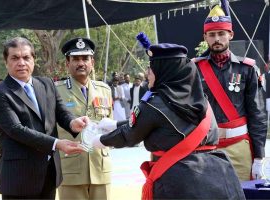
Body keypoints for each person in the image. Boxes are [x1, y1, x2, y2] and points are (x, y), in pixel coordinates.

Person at [92, 40, 245, 199]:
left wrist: (100, 140)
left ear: (164, 70)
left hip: (180, 182)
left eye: (151, 68)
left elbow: (131, 135)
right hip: (219, 178)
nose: (147, 73)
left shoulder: (155, 104)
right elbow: (154, 122)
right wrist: (115, 124)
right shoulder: (201, 101)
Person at [0, 37, 88, 200]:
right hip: (19, 179)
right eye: (15, 58)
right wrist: (56, 144)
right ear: (6, 62)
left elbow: (61, 112)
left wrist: (72, 122)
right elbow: (16, 129)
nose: (21, 63)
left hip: (49, 173)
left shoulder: (46, 83)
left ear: (34, 60)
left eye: (26, 57)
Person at [194, 0, 267, 181]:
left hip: (239, 146)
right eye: (211, 34)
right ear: (205, 37)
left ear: (231, 34)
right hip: (205, 147)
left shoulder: (248, 69)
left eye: (221, 33)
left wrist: (259, 156)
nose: (217, 39)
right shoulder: (193, 69)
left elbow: (257, 114)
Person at [56, 37, 113, 200]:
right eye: (75, 59)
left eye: (85, 58)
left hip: (101, 167)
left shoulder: (104, 90)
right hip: (71, 170)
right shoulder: (55, 91)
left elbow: (110, 126)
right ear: (67, 63)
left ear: (92, 62)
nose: (81, 63)